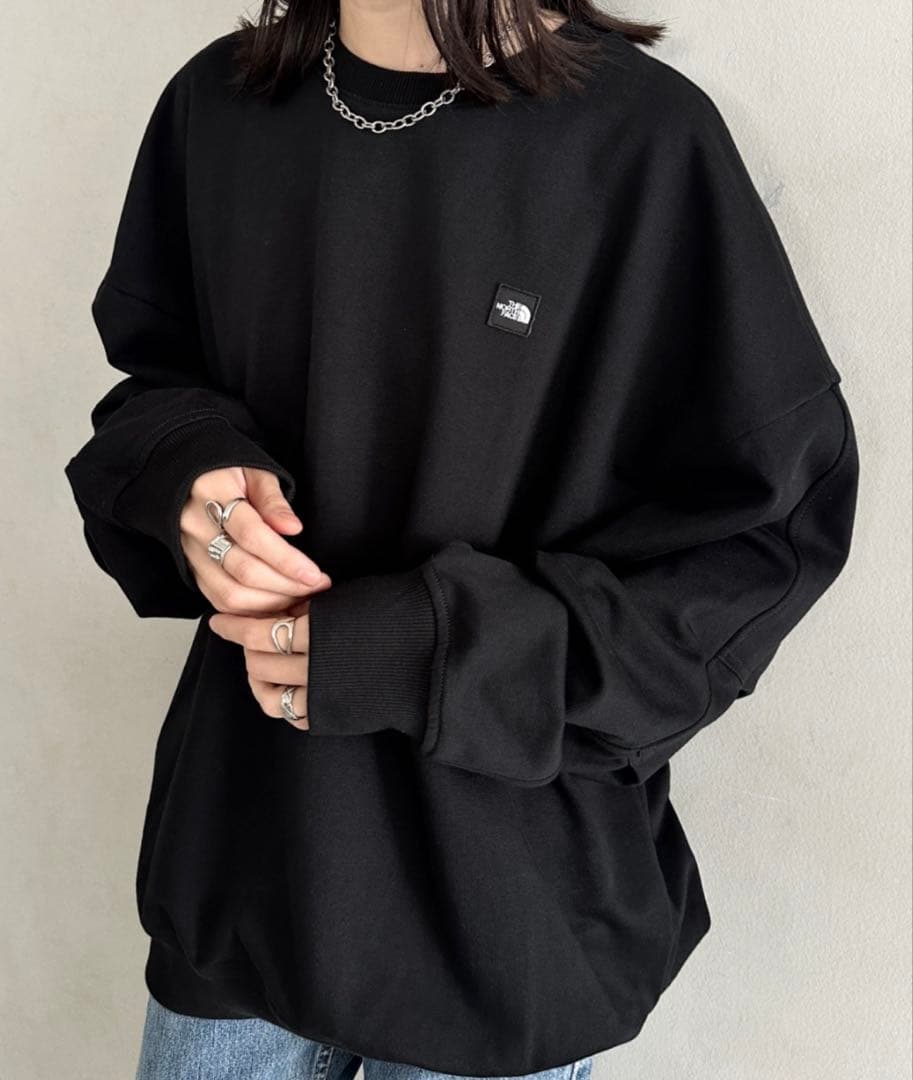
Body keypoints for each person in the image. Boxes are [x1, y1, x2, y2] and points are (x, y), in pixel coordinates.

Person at [63, 1, 860, 1078]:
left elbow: (763, 545)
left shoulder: (640, 140)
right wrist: (190, 478)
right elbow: (155, 377)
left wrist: (441, 653)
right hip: (243, 872)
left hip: (502, 912)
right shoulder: (221, 104)